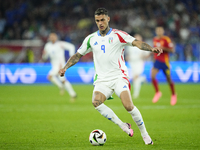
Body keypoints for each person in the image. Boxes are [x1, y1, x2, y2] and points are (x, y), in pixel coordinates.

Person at [59, 8, 162, 145]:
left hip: (119, 77)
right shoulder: (90, 39)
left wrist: (151, 49)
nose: (100, 23)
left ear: (108, 19)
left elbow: (137, 42)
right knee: (96, 102)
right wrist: (65, 67)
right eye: (97, 20)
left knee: (128, 105)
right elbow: (78, 55)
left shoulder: (118, 35)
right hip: (102, 80)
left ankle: (145, 134)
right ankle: (122, 125)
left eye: (102, 20)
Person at [42, 33, 77, 100]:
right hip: (54, 65)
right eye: (51, 37)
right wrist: (44, 55)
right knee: (63, 80)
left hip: (60, 65)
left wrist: (71, 55)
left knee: (50, 76)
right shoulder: (47, 46)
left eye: (53, 36)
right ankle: (73, 94)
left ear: (56, 37)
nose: (52, 38)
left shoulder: (60, 44)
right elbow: (45, 57)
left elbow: (71, 46)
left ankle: (61, 87)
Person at [151, 26, 177, 105]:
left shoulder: (166, 39)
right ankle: (158, 92)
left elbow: (172, 50)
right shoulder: (154, 39)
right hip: (157, 61)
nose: (159, 32)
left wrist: (163, 48)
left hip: (165, 62)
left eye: (160, 30)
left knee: (169, 79)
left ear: (163, 31)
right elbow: (155, 50)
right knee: (152, 76)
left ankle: (173, 94)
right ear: (156, 31)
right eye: (157, 30)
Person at [125, 34, 150, 99]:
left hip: (139, 63)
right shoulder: (130, 46)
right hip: (132, 63)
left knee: (136, 77)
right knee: (133, 78)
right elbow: (128, 54)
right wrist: (127, 57)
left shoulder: (143, 45)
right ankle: (143, 78)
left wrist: (143, 56)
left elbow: (148, 54)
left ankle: (136, 94)